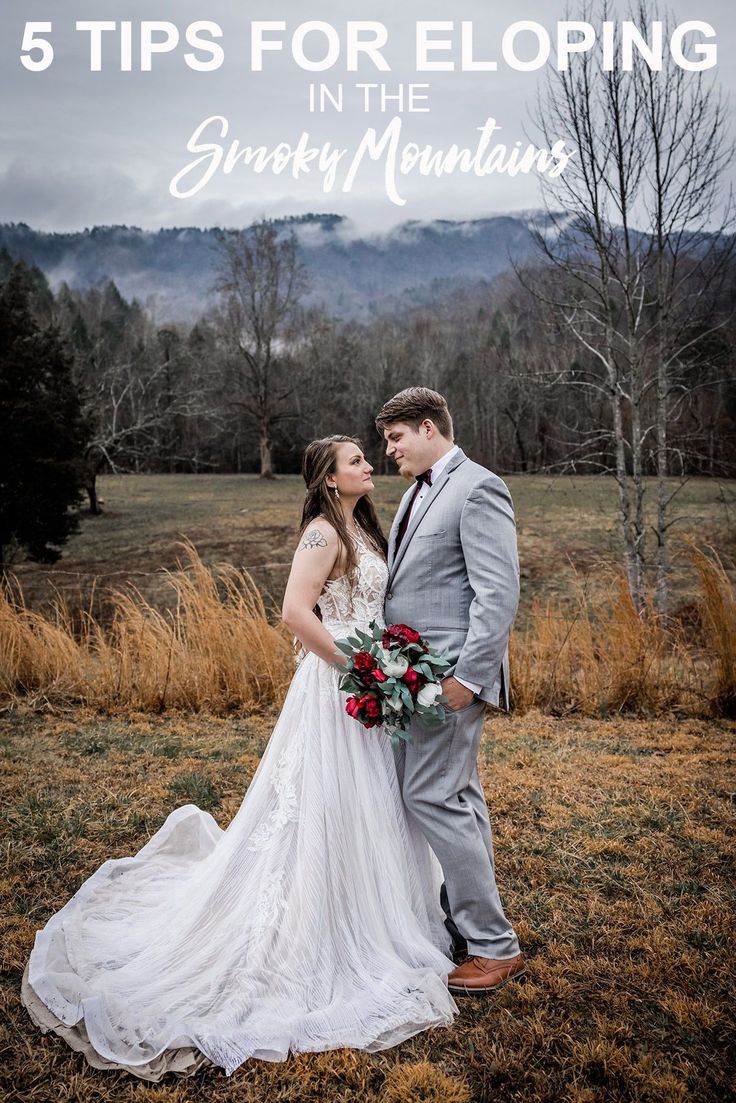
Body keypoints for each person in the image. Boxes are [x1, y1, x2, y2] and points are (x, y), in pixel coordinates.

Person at [20, 434, 457, 1082]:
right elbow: (293, 612)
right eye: (356, 460)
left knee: (374, 798)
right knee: (326, 797)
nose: (369, 465)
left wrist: (393, 660)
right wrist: (359, 666)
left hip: (370, 677)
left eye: (369, 456)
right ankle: (310, 922)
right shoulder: (320, 533)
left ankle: (373, 904)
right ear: (331, 479)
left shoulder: (360, 527)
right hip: (338, 683)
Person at [376, 387, 526, 996]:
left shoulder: (478, 487)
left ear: (430, 428)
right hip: (419, 679)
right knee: (457, 794)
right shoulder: (418, 492)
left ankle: (493, 946)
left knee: (430, 795)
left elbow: (498, 593)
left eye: (396, 438)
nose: (388, 451)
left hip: (450, 681)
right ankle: (469, 930)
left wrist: (468, 677)